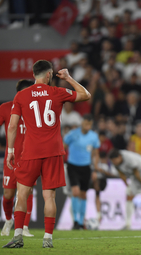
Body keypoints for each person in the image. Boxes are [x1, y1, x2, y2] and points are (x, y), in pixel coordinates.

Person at [3, 60, 91, 248]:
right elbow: (86, 95)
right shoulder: (56, 92)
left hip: (30, 152)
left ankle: (18, 236)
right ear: (49, 74)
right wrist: (68, 78)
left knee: (22, 194)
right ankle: (47, 239)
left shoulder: (21, 95)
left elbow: (11, 126)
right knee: (49, 197)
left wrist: (10, 151)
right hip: (53, 152)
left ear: (34, 74)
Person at [1, 80, 35, 238]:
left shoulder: (36, 109)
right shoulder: (6, 108)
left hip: (29, 158)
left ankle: (25, 227)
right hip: (11, 159)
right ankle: (8, 221)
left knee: (27, 193)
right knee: (8, 195)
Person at [63, 114, 100, 230]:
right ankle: (75, 221)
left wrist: (94, 169)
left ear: (91, 125)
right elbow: (63, 146)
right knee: (75, 192)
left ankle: (81, 221)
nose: (87, 125)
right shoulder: (73, 134)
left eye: (89, 124)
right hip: (72, 166)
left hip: (86, 167)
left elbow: (96, 153)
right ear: (82, 123)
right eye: (85, 123)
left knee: (83, 194)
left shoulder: (93, 137)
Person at [109, 149, 141, 230]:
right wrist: (127, 186)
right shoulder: (115, 163)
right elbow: (122, 175)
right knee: (129, 195)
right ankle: (127, 224)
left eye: (115, 160)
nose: (114, 162)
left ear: (119, 157)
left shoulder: (129, 158)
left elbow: (137, 173)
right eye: (112, 161)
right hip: (134, 175)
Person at [91, 151, 118, 222]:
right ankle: (98, 215)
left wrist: (102, 171)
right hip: (95, 183)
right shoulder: (95, 164)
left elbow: (114, 174)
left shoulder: (108, 165)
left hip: (103, 183)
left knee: (97, 194)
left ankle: (99, 215)